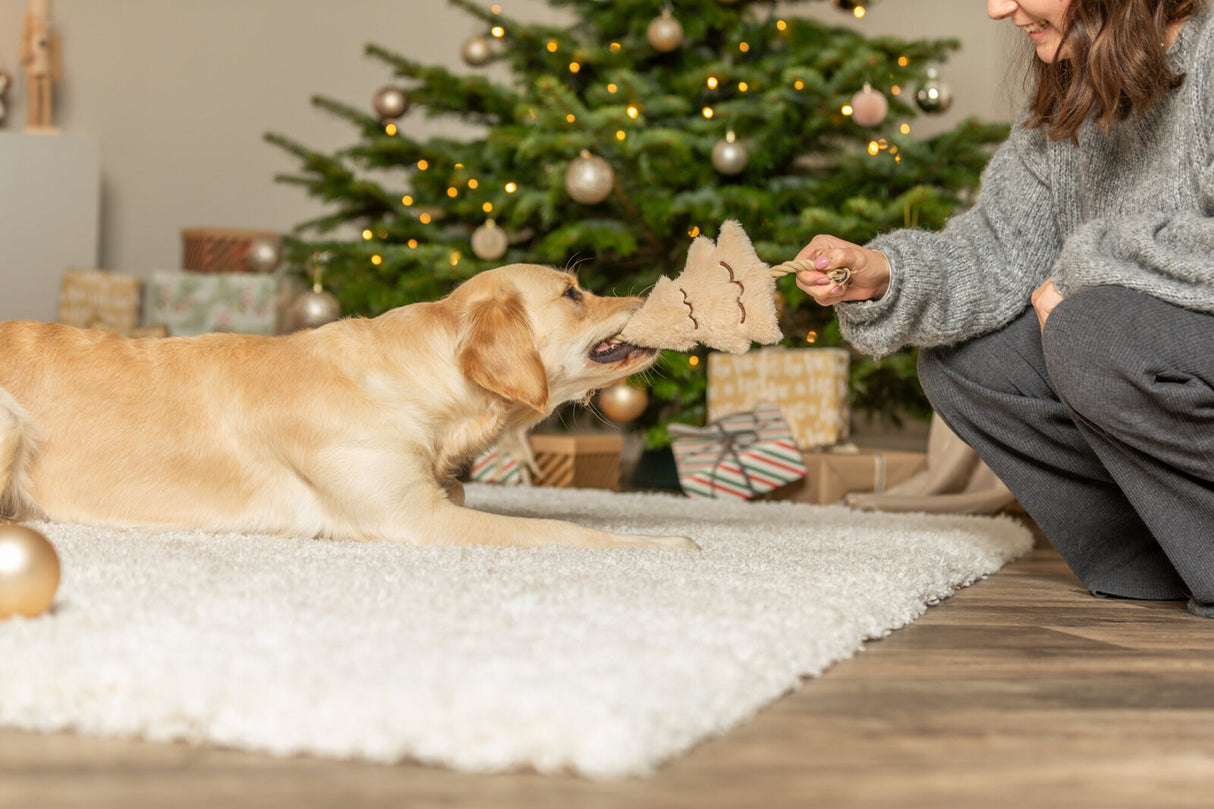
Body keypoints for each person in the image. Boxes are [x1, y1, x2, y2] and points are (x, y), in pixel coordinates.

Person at [793, 0, 1214, 617]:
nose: (996, 9)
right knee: (968, 362)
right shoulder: (1074, 87)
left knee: (1091, 331)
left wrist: (1086, 268)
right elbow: (999, 247)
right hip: (1140, 332)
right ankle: (1164, 557)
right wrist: (885, 275)